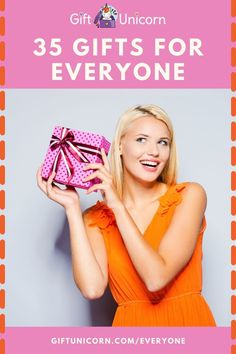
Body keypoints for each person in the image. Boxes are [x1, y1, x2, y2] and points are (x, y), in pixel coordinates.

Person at [37, 104, 216, 326]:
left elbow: (155, 278)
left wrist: (117, 205)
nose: (154, 151)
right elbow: (92, 288)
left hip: (189, 327)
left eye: (163, 142)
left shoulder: (188, 196)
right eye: (142, 139)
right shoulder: (96, 218)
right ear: (120, 146)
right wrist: (72, 208)